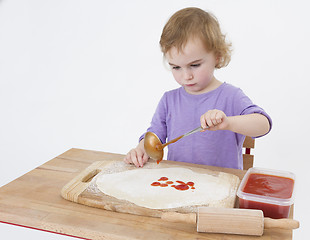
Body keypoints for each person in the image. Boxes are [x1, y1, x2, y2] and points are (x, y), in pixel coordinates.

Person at [124, 7, 272, 169]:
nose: (186, 76)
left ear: (217, 56)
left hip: (222, 187)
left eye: (194, 65)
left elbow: (263, 124)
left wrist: (228, 122)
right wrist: (141, 148)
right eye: (176, 67)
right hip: (178, 184)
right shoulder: (169, 100)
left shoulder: (231, 96)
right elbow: (154, 137)